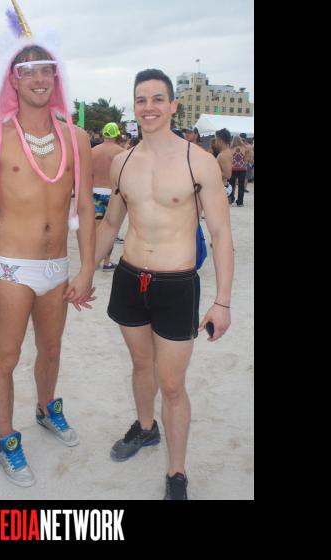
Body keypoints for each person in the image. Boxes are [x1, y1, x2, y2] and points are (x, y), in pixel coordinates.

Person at [94, 68, 234, 500]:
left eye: (158, 99)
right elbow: (111, 223)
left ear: (173, 105)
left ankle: (176, 472)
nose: (149, 107)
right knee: (141, 365)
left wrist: (222, 301)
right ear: (134, 107)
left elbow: (221, 234)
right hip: (130, 277)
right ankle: (145, 428)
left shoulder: (199, 161)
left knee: (172, 384)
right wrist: (84, 273)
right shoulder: (122, 162)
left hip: (177, 284)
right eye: (141, 99)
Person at [0, 31, 96, 488]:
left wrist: (87, 267)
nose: (39, 78)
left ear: (56, 78)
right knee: (6, 356)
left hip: (58, 268)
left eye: (46, 70)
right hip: (11, 268)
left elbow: (84, 207)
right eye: (28, 71)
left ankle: (45, 408)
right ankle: (6, 439)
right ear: (13, 81)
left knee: (52, 350)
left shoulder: (76, 138)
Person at [91, 122, 125, 271]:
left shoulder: (93, 151)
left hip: (95, 193)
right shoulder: (121, 152)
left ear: (103, 134)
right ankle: (106, 262)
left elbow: (88, 174)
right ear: (117, 134)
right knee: (110, 230)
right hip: (113, 195)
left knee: (96, 230)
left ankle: (94, 261)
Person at [214, 128, 234, 200]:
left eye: (216, 140)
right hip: (221, 187)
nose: (215, 142)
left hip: (221, 188)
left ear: (220, 141)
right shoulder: (226, 152)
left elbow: (228, 175)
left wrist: (212, 171)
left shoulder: (223, 155)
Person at [230, 134, 248, 207]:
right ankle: (240, 202)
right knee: (241, 186)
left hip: (232, 169)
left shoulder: (230, 148)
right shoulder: (244, 148)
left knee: (231, 185)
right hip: (242, 169)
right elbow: (246, 160)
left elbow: (229, 159)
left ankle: (231, 199)